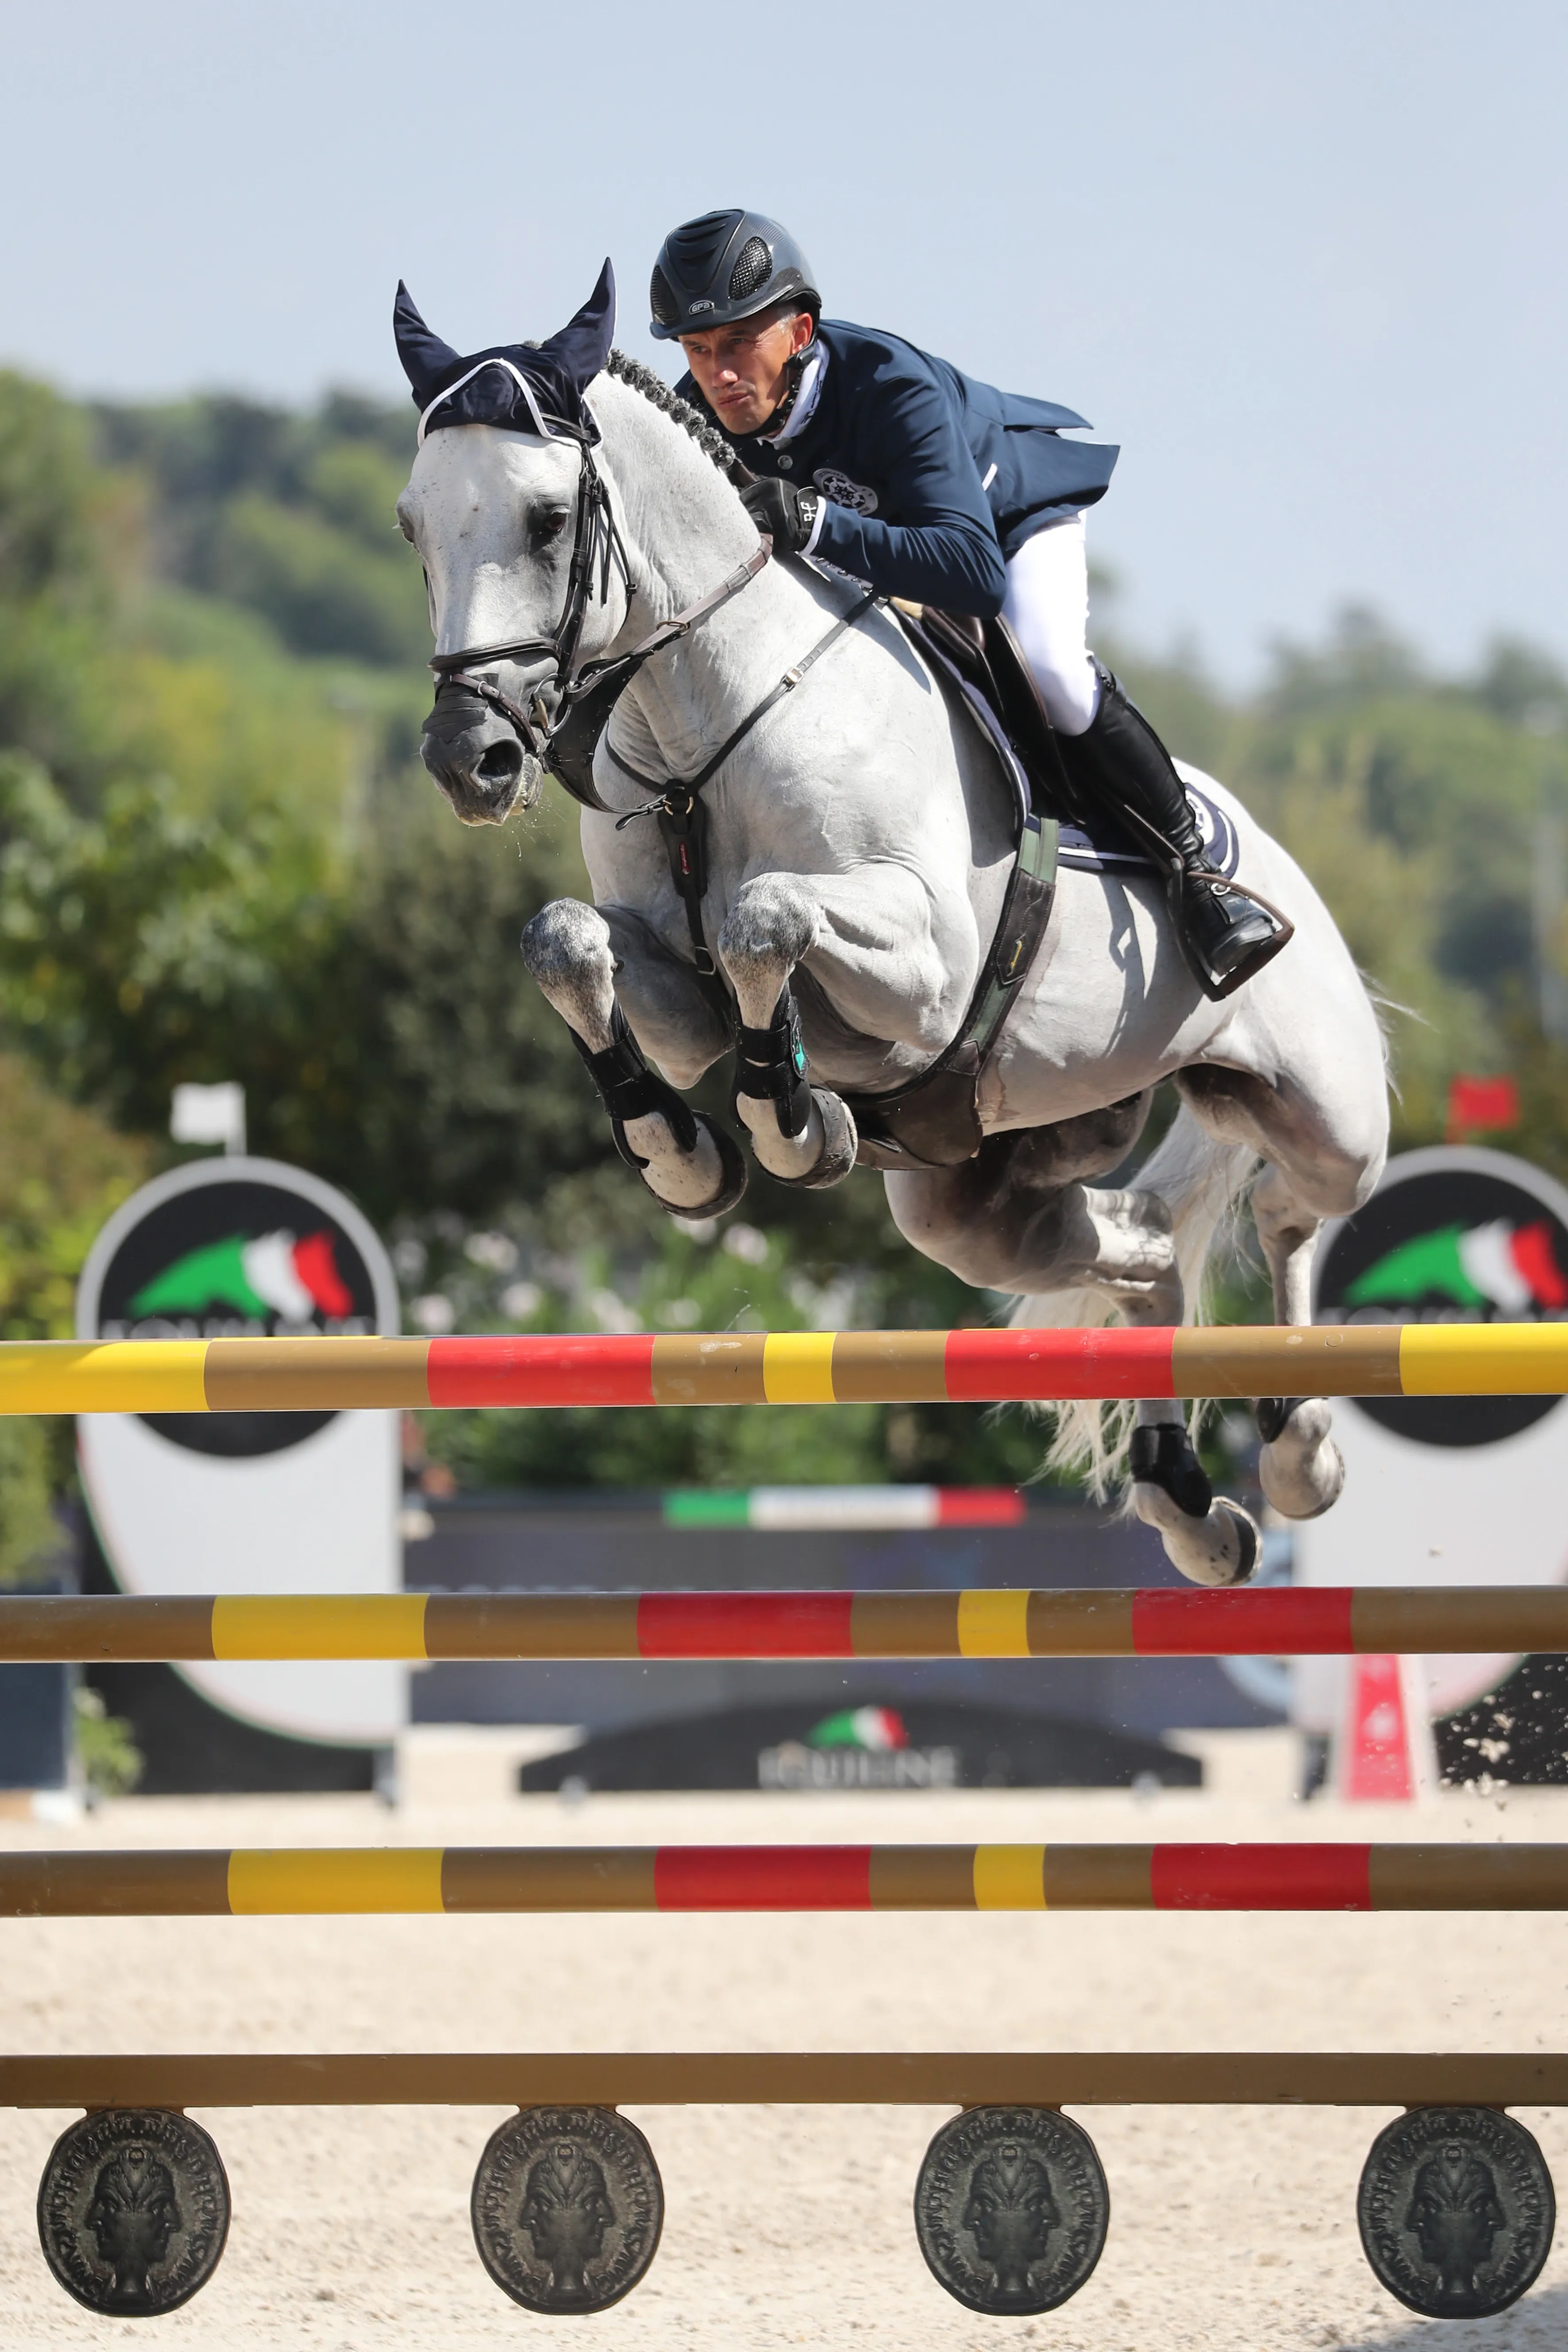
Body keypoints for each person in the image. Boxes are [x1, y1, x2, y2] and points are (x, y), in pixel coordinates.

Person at [650, 208, 1287, 998]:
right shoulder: (698, 410)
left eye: (740, 343)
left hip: (1001, 527)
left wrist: (815, 520)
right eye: (698, 349)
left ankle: (1197, 876)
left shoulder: (890, 388)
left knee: (1052, 671)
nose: (719, 374)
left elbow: (972, 575)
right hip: (885, 551)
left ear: (801, 330)